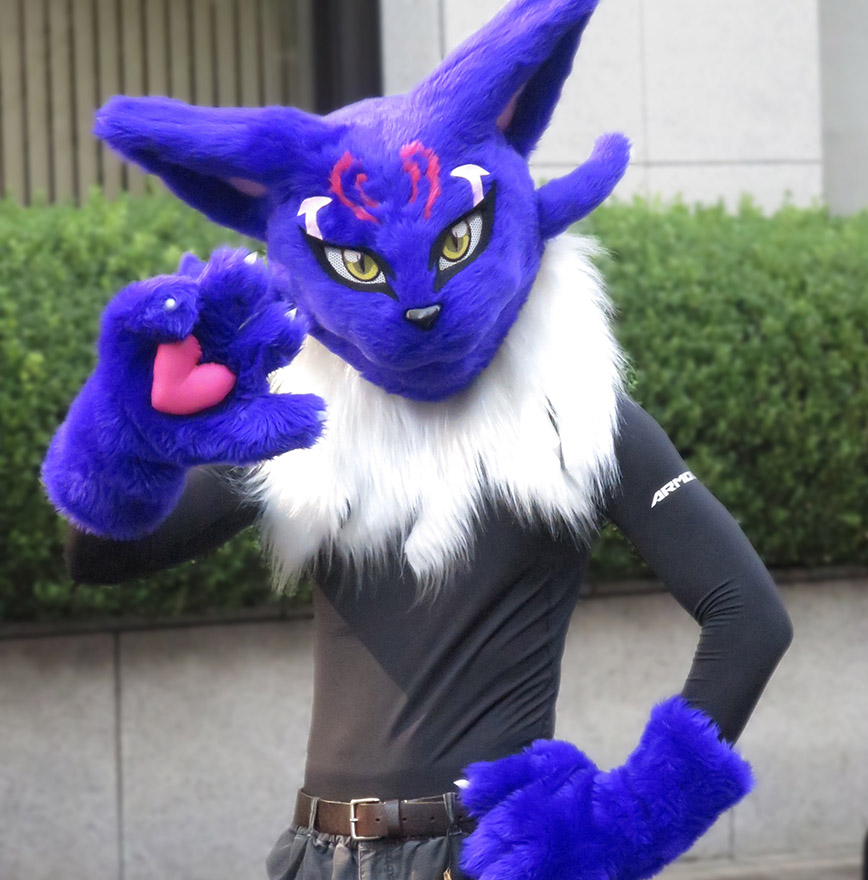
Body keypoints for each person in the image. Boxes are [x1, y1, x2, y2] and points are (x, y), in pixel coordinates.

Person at [44, 1, 793, 878]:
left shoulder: (571, 412)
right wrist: (135, 427)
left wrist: (621, 830)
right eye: (362, 266)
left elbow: (749, 617)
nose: (418, 303)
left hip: (481, 854)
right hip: (316, 856)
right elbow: (94, 556)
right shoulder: (306, 424)